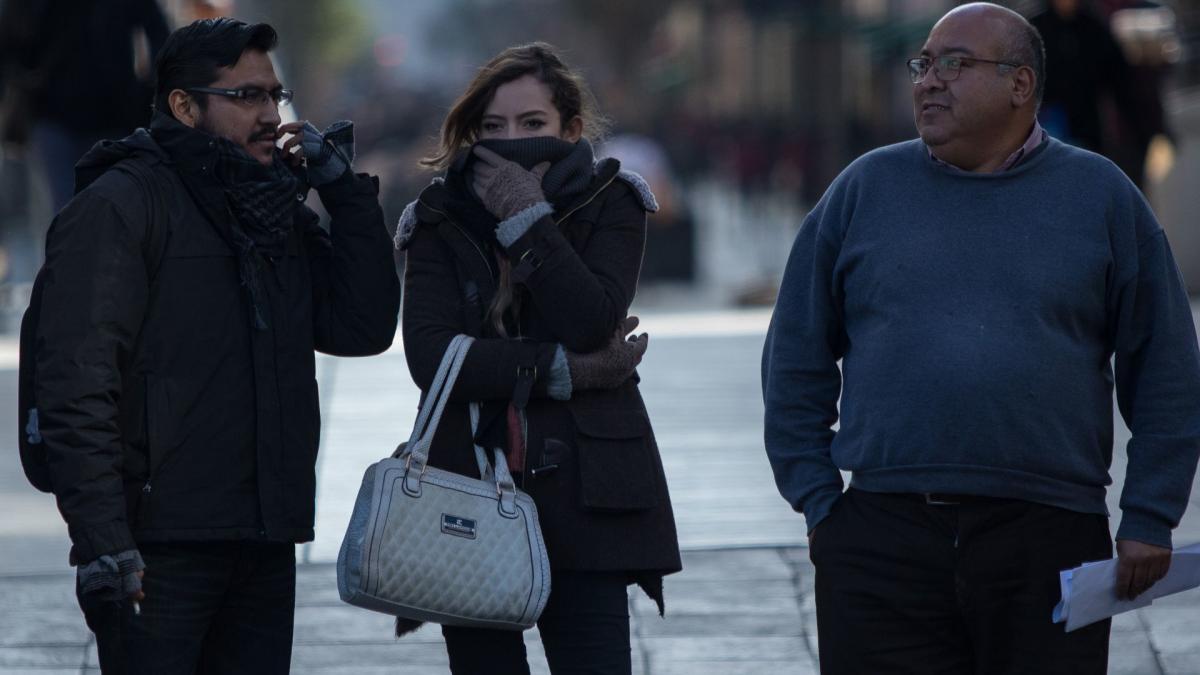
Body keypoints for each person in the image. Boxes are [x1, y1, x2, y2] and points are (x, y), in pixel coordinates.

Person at [761, 3, 1200, 674]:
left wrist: (1149, 513)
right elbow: (794, 354)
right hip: (883, 538)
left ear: (1020, 84)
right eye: (924, 64)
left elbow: (1165, 364)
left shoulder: (1101, 197)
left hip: (1048, 537)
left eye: (955, 64)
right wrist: (821, 503)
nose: (928, 80)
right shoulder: (864, 190)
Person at [33, 18, 400, 674]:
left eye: (273, 96)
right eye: (246, 97)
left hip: (262, 538)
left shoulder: (272, 207)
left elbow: (361, 327)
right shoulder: (121, 205)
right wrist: (102, 541)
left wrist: (345, 193)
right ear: (184, 105)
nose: (270, 115)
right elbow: (77, 382)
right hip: (155, 550)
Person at [395, 42, 681, 675]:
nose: (511, 141)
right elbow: (432, 358)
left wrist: (526, 218)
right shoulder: (438, 217)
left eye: (532, 125)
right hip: (465, 485)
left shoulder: (614, 202)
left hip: (587, 489)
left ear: (570, 129)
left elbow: (590, 318)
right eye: (493, 128)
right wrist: (566, 372)